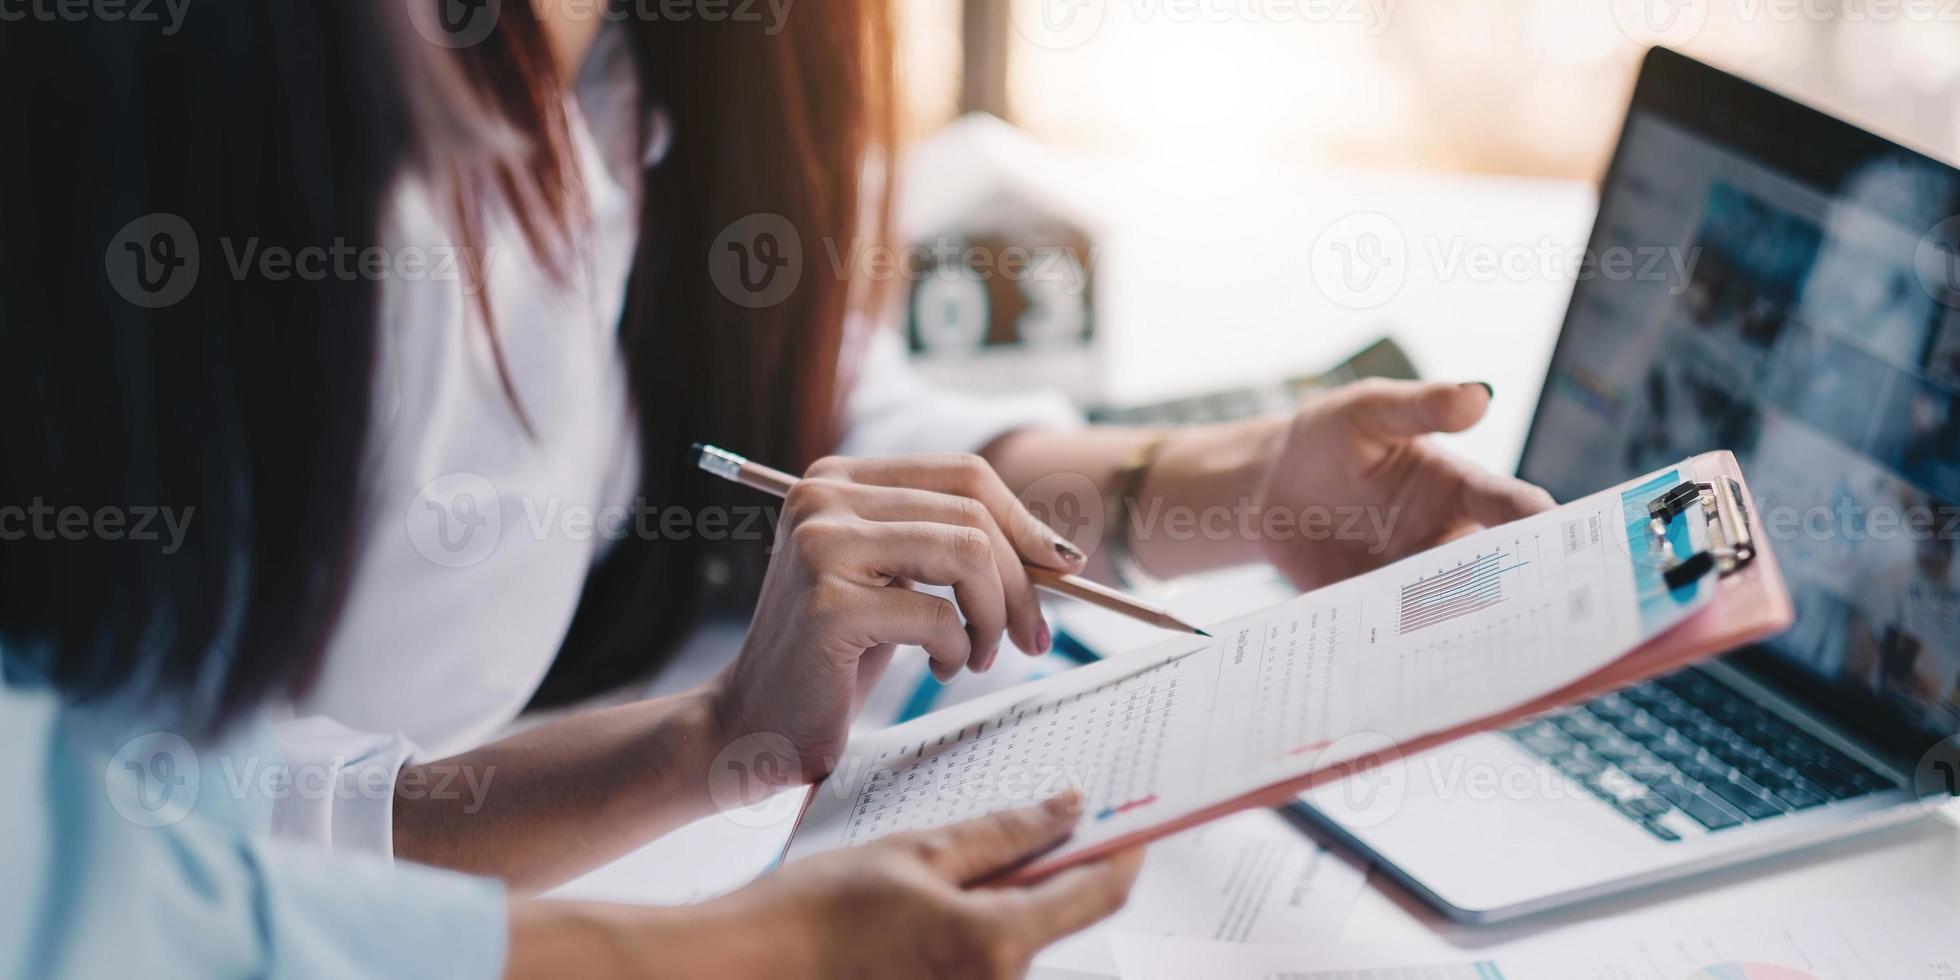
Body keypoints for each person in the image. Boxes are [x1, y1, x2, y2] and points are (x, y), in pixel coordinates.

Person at [0, 1, 1551, 974]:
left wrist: (1230, 484)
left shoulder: (709, 55)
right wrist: (731, 926)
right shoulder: (235, 121)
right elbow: (146, 838)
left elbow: (830, 406)